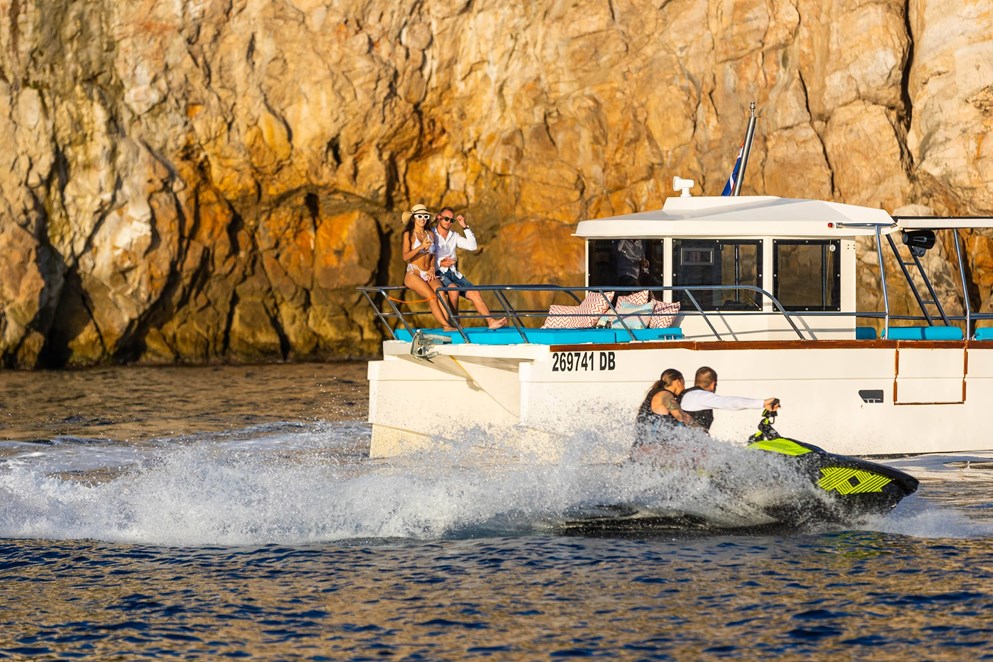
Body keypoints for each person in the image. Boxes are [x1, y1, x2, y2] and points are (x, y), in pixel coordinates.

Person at [433, 206, 506, 329]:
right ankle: (456, 324)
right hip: (438, 272)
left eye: (452, 220)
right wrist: (440, 263)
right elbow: (425, 257)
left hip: (453, 273)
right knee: (453, 290)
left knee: (475, 293)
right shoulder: (431, 234)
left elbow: (473, 246)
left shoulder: (454, 236)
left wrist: (465, 226)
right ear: (439, 218)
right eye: (446, 219)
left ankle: (491, 322)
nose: (449, 222)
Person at [678, 366, 780, 433]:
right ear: (713, 384)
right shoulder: (700, 397)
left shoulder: (689, 395)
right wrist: (762, 403)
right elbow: (729, 402)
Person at [400, 203, 453, 330]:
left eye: (425, 216)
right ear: (413, 218)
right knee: (431, 297)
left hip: (428, 271)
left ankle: (449, 325)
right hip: (414, 273)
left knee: (441, 293)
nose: (423, 219)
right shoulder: (408, 234)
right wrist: (420, 247)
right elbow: (405, 257)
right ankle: (446, 326)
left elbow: (433, 255)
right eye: (420, 216)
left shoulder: (430, 234)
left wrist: (432, 268)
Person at [633, 368, 697, 453]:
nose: (684, 388)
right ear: (678, 382)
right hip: (650, 449)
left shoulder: (655, 393)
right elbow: (680, 416)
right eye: (683, 384)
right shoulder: (665, 395)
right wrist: (699, 429)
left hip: (642, 448)